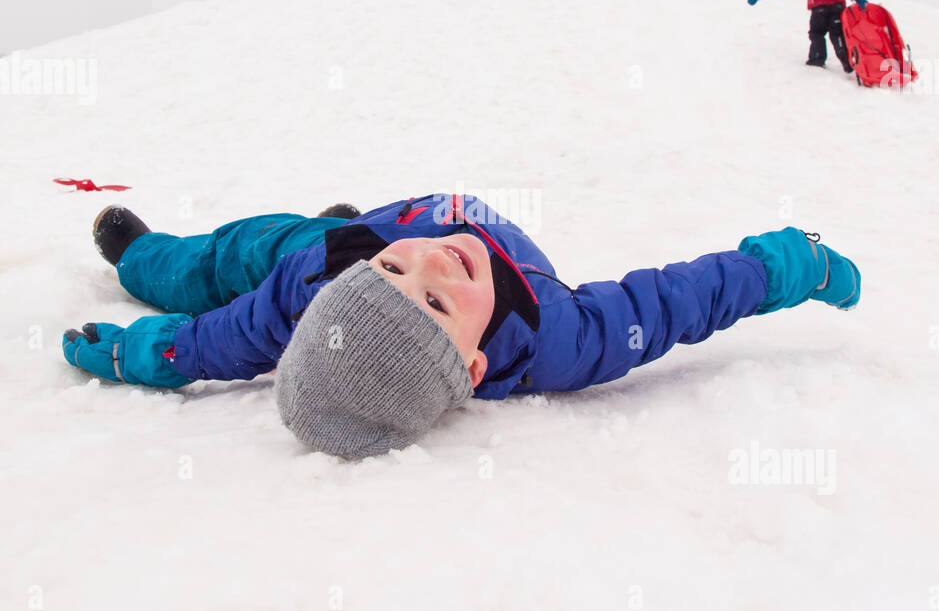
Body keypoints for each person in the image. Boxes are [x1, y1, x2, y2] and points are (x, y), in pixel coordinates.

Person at [62, 197, 862, 459]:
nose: (433, 267)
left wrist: (143, 351)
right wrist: (790, 266)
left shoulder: (314, 283)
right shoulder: (563, 338)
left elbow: (212, 342)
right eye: (438, 304)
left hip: (354, 235)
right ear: (473, 366)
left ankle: (143, 259)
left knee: (240, 256)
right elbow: (675, 302)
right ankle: (162, 262)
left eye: (398, 277)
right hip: (473, 247)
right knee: (254, 260)